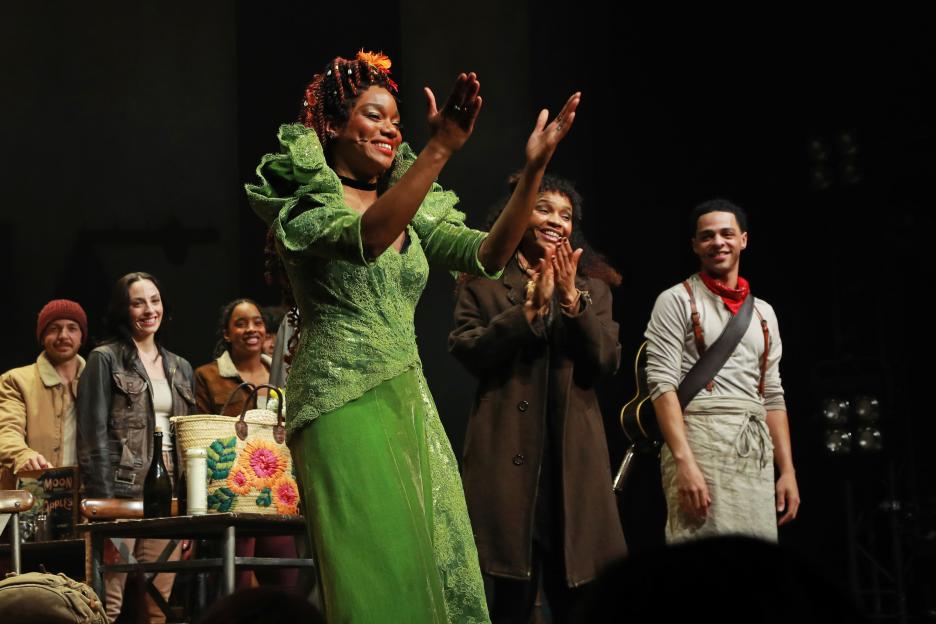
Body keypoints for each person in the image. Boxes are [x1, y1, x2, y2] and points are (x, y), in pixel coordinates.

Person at [245, 50, 579, 623]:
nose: (390, 129)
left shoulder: (408, 202)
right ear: (334, 125)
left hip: (407, 395)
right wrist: (441, 147)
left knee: (437, 558)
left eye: (396, 121)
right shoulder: (304, 198)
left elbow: (489, 253)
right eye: (373, 116)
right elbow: (368, 239)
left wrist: (534, 171)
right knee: (375, 565)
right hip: (337, 399)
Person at [449, 175, 626, 622]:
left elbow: (605, 362)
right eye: (544, 209)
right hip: (506, 458)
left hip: (572, 463)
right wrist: (526, 313)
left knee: (576, 598)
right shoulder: (484, 281)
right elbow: (468, 350)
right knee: (510, 601)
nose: (556, 222)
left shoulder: (592, 288)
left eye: (566, 216)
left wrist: (571, 302)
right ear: (519, 213)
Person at [644, 199, 800, 544]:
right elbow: (661, 385)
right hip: (700, 442)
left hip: (754, 452)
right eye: (707, 236)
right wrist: (684, 461)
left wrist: (787, 470)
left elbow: (772, 395)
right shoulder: (676, 300)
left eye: (727, 234)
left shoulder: (764, 313)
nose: (718, 242)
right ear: (695, 245)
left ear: (743, 239)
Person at [77, 272, 195, 623]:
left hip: (169, 493)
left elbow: (189, 439)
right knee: (109, 603)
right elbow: (92, 437)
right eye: (138, 303)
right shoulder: (104, 358)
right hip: (122, 492)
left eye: (155, 301)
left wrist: (191, 508)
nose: (149, 310)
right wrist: (103, 509)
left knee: (158, 603)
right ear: (123, 309)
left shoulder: (180, 367)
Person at [194, 298, 298, 590]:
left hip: (274, 493)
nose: (251, 329)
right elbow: (201, 433)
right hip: (233, 489)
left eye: (257, 322)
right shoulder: (208, 375)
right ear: (227, 334)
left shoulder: (282, 374)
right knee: (236, 582)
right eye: (240, 324)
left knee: (286, 582)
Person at [0, 299, 87, 490]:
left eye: (72, 328)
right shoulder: (16, 380)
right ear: (42, 336)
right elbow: (6, 430)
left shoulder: (97, 382)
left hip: (85, 496)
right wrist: (22, 456)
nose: (63, 336)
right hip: (29, 494)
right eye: (54, 328)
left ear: (82, 336)